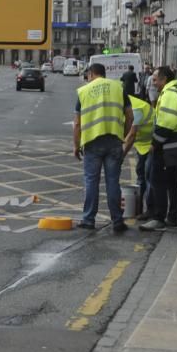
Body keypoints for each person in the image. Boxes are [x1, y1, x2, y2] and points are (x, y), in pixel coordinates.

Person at [73, 62, 134, 232]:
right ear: (104, 74)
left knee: (91, 181)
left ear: (91, 74)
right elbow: (130, 116)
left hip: (92, 142)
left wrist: (76, 146)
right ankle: (117, 221)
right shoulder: (118, 88)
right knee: (113, 181)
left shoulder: (84, 91)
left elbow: (77, 123)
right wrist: (123, 136)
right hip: (114, 140)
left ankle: (88, 219)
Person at [141, 66, 177, 231]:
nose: (154, 83)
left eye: (155, 80)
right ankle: (173, 218)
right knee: (172, 183)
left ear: (164, 79)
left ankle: (159, 217)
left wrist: (154, 144)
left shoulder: (170, 94)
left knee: (158, 180)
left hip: (169, 146)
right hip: (176, 145)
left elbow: (167, 123)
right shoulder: (175, 92)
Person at [122, 92, 156, 220]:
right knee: (141, 175)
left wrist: (121, 156)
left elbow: (131, 135)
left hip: (153, 144)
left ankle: (151, 210)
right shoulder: (128, 105)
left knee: (148, 177)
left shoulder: (136, 109)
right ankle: (139, 209)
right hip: (142, 146)